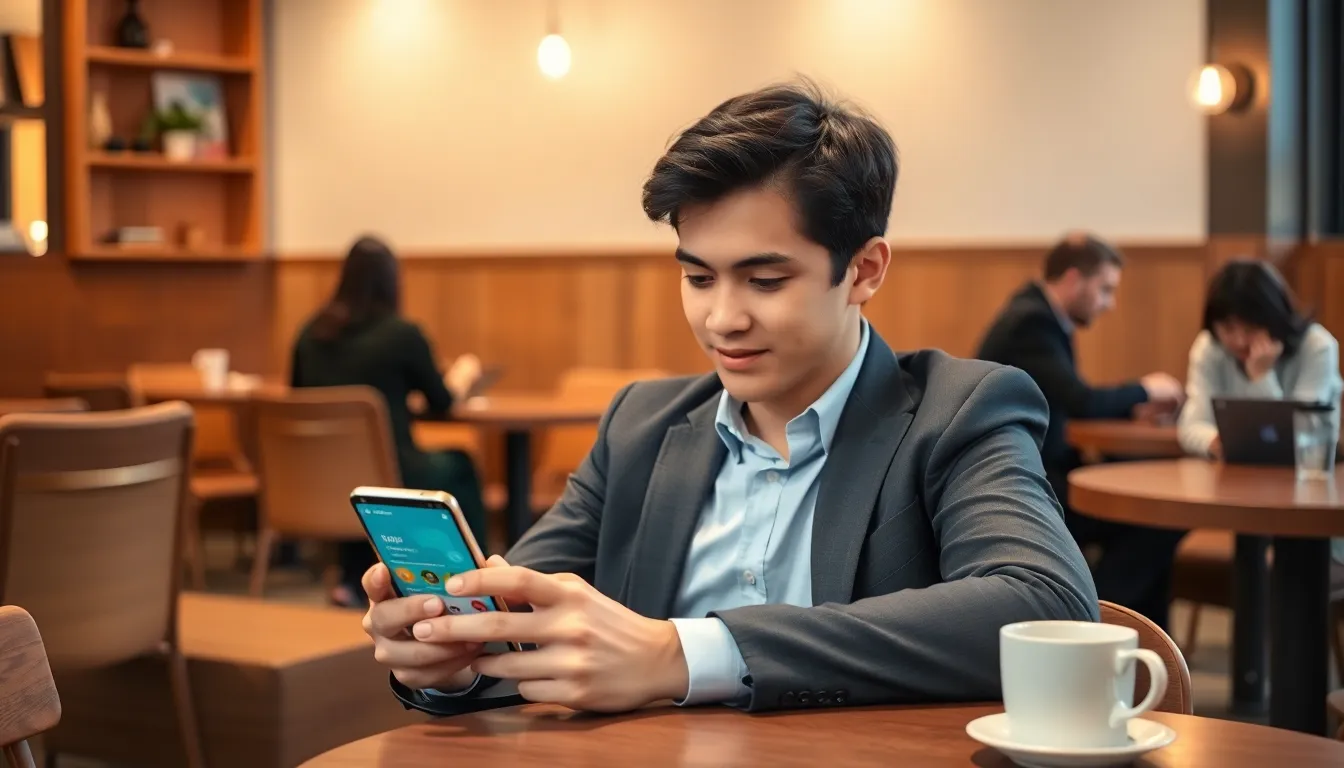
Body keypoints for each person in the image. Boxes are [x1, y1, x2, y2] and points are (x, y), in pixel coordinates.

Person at [362, 80, 1097, 716]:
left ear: (865, 269)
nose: (723, 319)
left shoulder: (960, 411)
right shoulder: (640, 428)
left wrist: (682, 653)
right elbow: (528, 631)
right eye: (699, 277)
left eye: (765, 280)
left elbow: (1046, 603)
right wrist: (452, 661)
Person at [975, 233, 1186, 630]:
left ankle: (1141, 636)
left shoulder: (1040, 315)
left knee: (1152, 516)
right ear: (1074, 279)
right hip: (1024, 487)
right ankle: (1093, 620)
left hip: (1039, 473)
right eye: (1105, 289)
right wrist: (1146, 388)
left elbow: (1065, 403)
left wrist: (1132, 406)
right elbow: (1081, 400)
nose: (1110, 303)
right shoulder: (1032, 322)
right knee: (1156, 520)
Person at [291, 235, 489, 607]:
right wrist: (462, 376)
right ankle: (477, 577)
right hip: (392, 476)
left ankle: (351, 579)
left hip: (320, 476)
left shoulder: (310, 334)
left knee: (359, 468)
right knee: (458, 464)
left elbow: (296, 395)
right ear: (391, 281)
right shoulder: (400, 335)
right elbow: (441, 401)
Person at [1177, 260, 1343, 573]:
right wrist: (1219, 442)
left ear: (1275, 319)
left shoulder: (1317, 347)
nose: (1238, 341)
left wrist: (1260, 378)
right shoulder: (1209, 349)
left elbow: (1298, 438)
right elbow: (1190, 425)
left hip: (1310, 505)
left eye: (1250, 328)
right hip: (1234, 496)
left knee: (1293, 568)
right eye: (1227, 329)